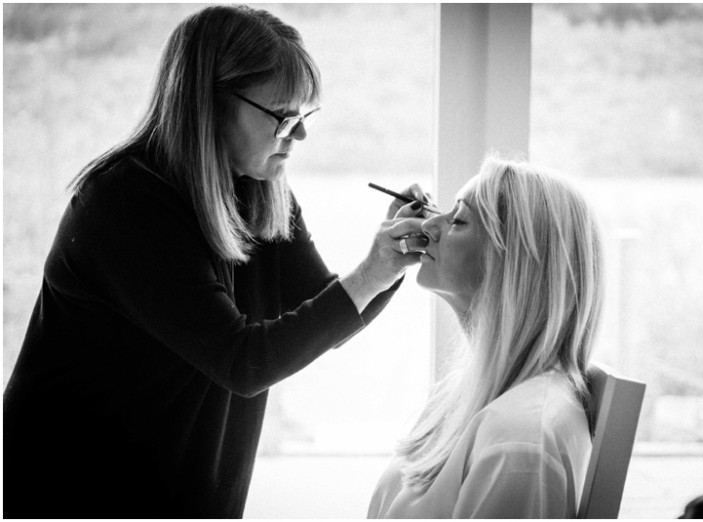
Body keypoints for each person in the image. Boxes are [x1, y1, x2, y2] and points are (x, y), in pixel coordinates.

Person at [3, 5, 427, 518]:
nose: (299, 136)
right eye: (283, 116)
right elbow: (243, 362)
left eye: (305, 116)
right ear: (209, 104)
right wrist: (371, 272)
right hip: (69, 489)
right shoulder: (126, 203)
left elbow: (328, 317)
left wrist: (391, 260)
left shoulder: (257, 189)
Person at [368, 155, 605, 518]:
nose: (428, 224)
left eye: (458, 219)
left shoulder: (519, 441)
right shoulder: (464, 394)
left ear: (515, 264)